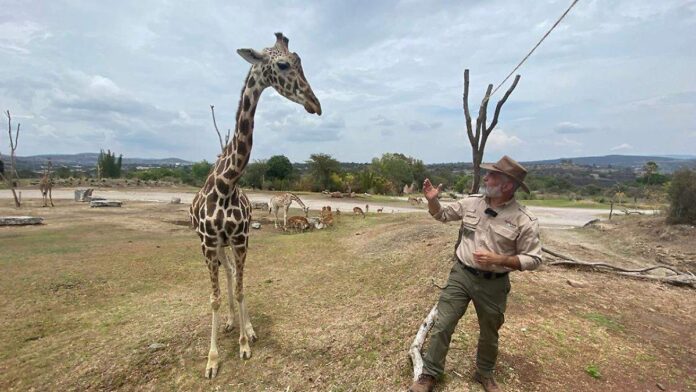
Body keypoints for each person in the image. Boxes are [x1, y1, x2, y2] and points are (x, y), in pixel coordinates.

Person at [409, 155, 542, 392]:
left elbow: (534, 259)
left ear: (507, 185)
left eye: (492, 175)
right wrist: (432, 201)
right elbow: (442, 215)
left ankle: (484, 373)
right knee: (443, 324)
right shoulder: (472, 203)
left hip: (494, 283)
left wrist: (500, 259)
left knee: (489, 332)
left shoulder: (524, 219)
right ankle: (429, 373)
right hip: (462, 274)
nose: (486, 177)